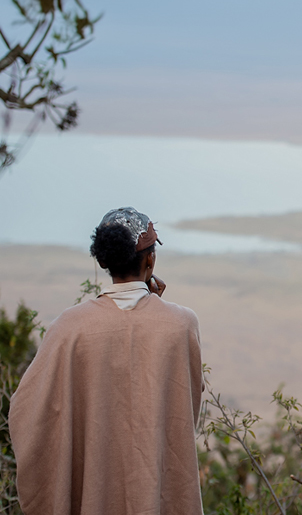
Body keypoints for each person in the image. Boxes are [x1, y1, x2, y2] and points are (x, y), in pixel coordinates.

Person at [9, 207, 204, 515]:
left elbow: (26, 413)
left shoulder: (69, 328)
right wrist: (157, 305)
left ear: (104, 262)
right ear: (150, 261)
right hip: (157, 498)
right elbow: (182, 411)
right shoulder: (181, 325)